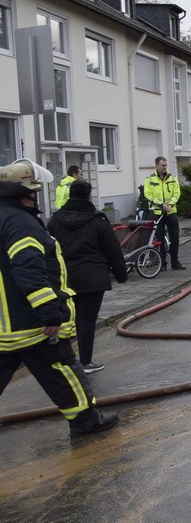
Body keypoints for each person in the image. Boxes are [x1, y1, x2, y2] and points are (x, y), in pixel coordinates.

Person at [0, 159, 119, 435]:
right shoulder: (20, 223)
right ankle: (87, 421)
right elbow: (29, 269)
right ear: (27, 193)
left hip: (5, 325)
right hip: (31, 323)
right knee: (62, 369)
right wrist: (49, 312)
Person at [46, 179, 128, 374]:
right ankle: (85, 362)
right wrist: (121, 275)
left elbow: (47, 248)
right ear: (88, 195)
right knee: (88, 319)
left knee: (70, 319)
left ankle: (68, 360)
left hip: (65, 277)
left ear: (70, 194)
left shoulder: (55, 220)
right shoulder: (97, 219)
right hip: (93, 276)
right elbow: (113, 249)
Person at [143, 156, 185, 270]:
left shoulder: (172, 178)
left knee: (175, 237)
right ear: (157, 165)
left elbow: (177, 193)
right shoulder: (150, 179)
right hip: (157, 212)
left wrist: (170, 204)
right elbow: (148, 195)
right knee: (160, 239)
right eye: (163, 165)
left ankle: (175, 262)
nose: (165, 167)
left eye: (166, 165)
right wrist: (161, 204)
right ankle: (163, 263)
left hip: (171, 212)